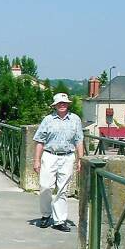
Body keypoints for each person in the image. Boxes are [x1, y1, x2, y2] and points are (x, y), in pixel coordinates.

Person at [33, 92, 84, 232]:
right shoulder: (48, 120)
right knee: (45, 186)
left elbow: (79, 140)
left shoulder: (75, 119)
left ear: (68, 104)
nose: (62, 105)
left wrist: (81, 159)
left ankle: (59, 220)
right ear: (55, 105)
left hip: (67, 156)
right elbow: (39, 141)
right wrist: (36, 160)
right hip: (50, 155)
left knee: (62, 189)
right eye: (59, 103)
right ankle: (46, 214)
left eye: (64, 103)